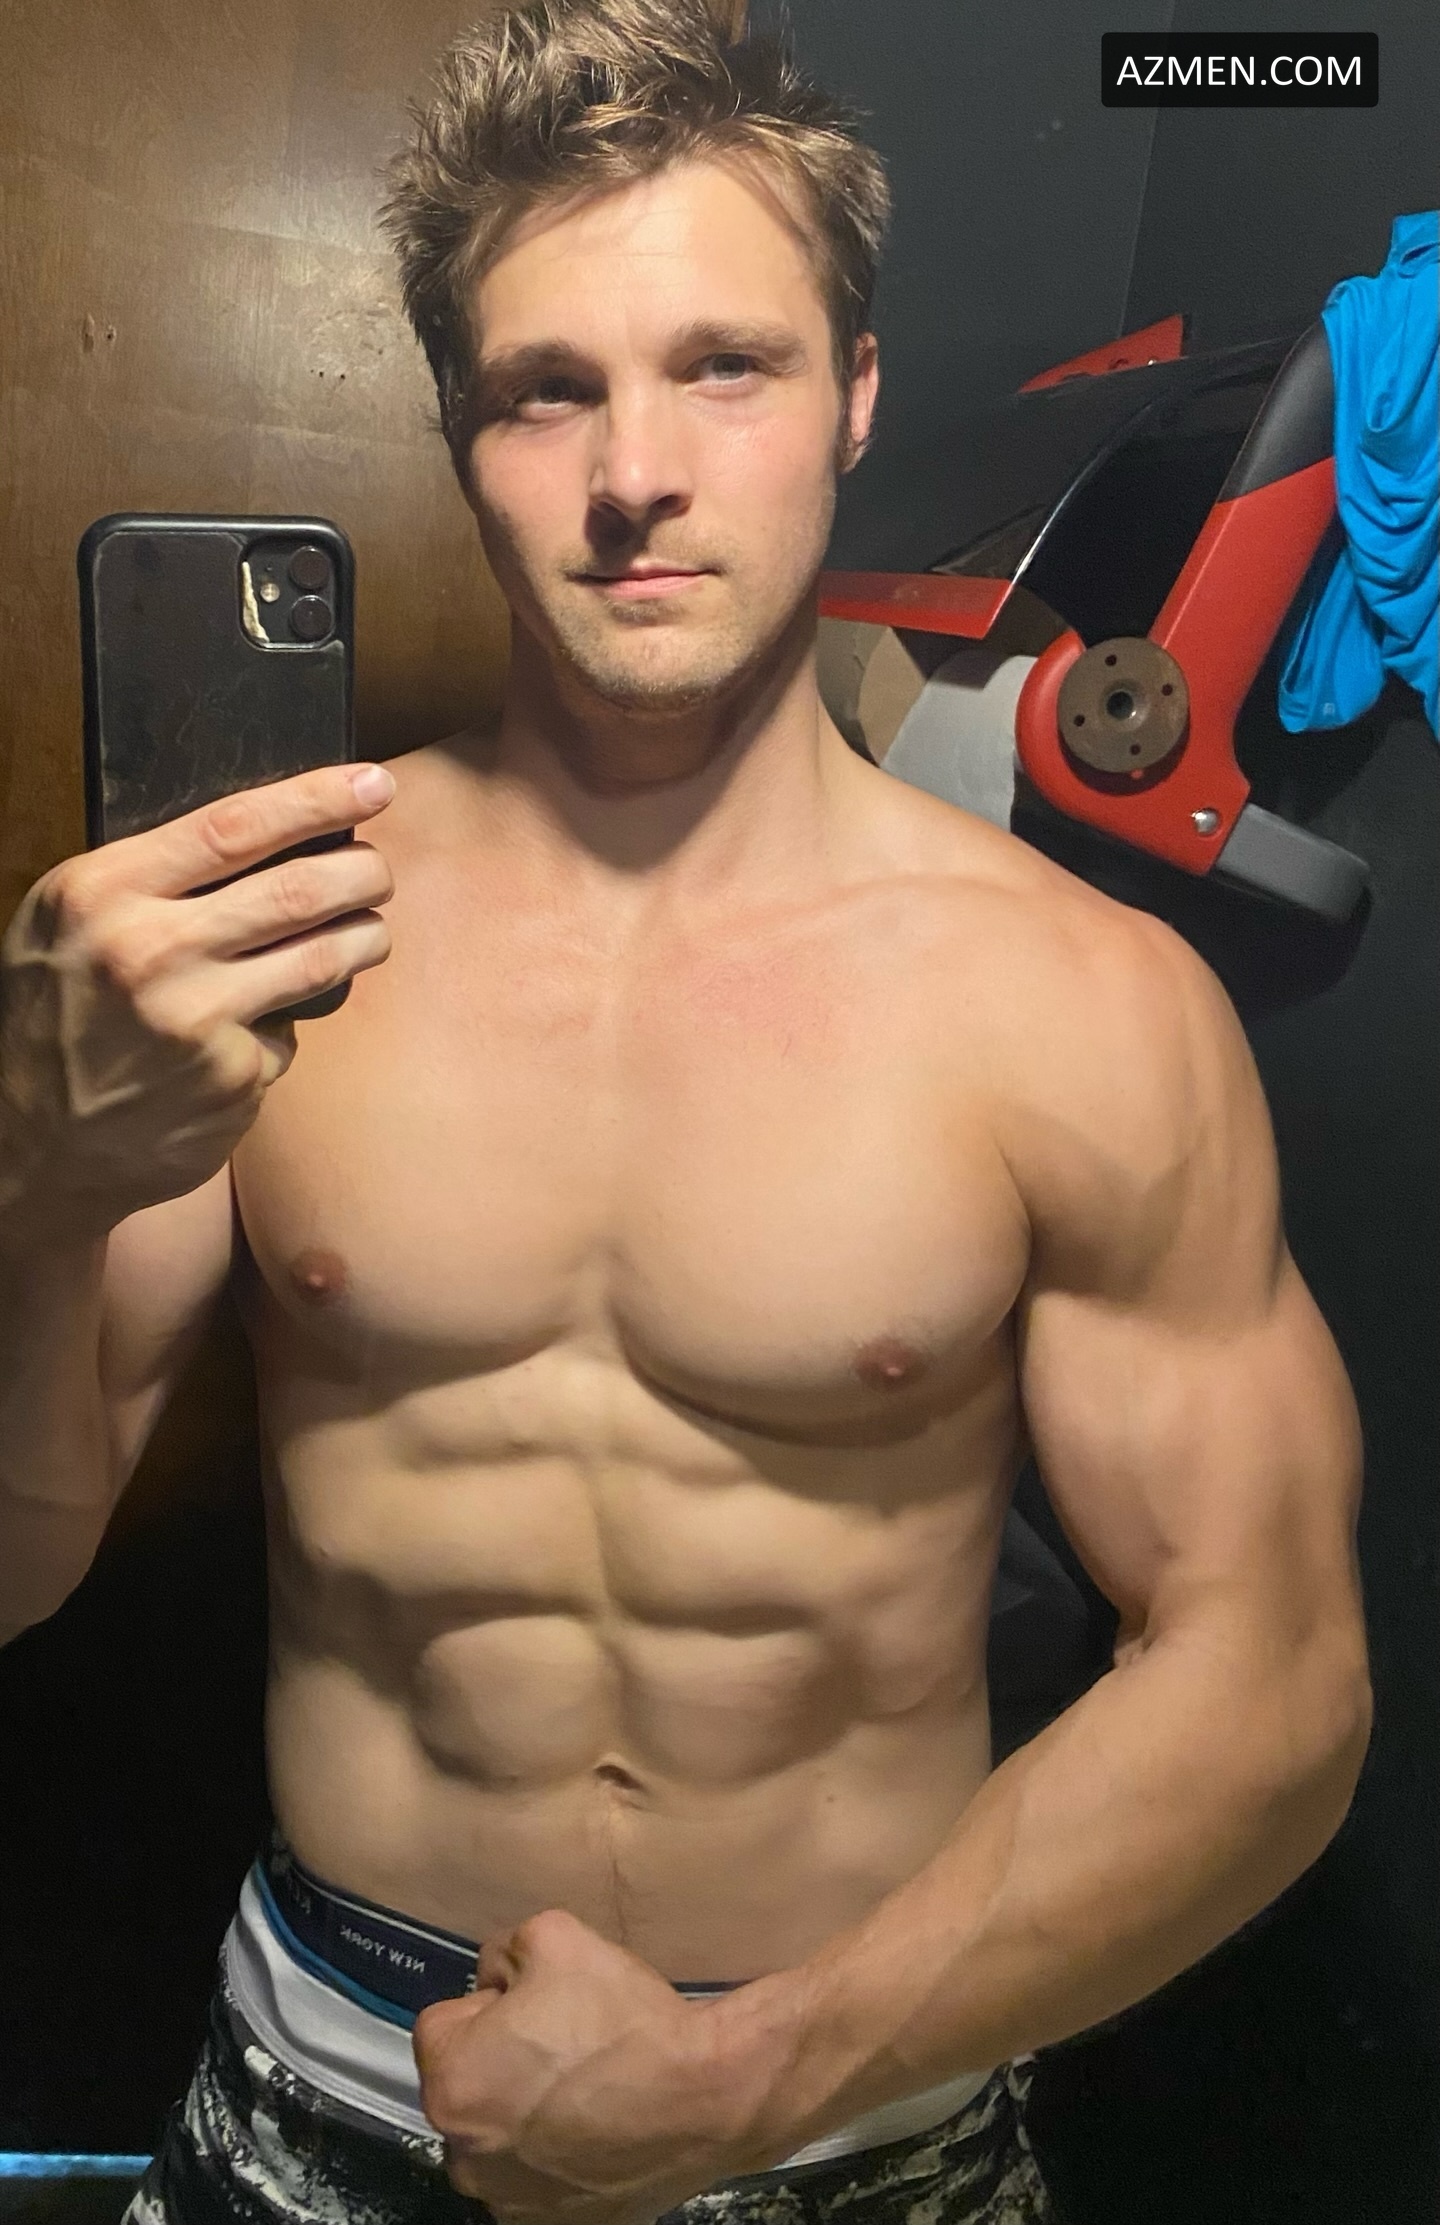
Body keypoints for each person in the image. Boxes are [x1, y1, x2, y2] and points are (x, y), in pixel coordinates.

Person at [0, 4, 1371, 2222]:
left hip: (863, 2100)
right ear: (457, 430)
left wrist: (745, 2075)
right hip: (335, 2067)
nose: (634, 470)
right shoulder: (264, 944)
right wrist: (35, 1179)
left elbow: (1277, 1677)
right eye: (545, 388)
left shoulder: (1083, 1004)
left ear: (855, 395)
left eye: (725, 365)